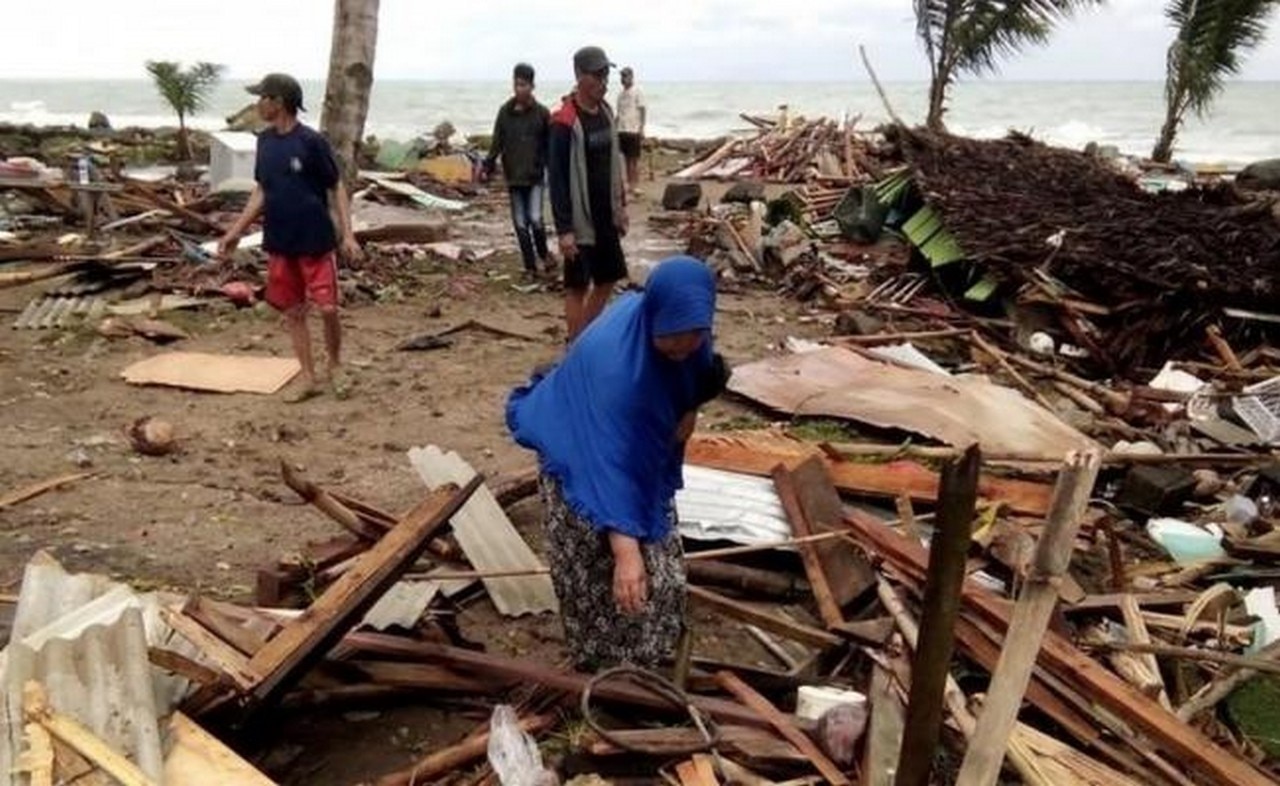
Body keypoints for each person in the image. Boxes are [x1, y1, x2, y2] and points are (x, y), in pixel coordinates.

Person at [506, 256, 729, 670]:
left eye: (692, 336)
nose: (683, 346)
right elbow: (610, 470)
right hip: (579, 445)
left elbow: (699, 378)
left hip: (635, 446)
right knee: (598, 563)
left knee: (658, 558)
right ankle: (602, 666)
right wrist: (626, 554)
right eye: (672, 338)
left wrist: (688, 408)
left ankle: (651, 653)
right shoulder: (617, 375)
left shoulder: (692, 332)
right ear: (653, 319)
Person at [217, 73, 362, 402]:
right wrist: (235, 232)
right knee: (294, 312)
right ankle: (308, 376)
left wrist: (348, 235)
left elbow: (335, 185)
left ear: (278, 102)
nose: (257, 103)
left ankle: (336, 366)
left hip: (315, 239)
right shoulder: (264, 142)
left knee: (327, 308)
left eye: (261, 97)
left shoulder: (310, 142)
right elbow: (262, 190)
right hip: (281, 241)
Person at [548, 45, 629, 342]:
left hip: (605, 214)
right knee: (577, 286)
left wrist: (621, 205)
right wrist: (564, 230)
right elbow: (556, 179)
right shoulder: (564, 122)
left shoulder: (606, 113)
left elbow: (614, 163)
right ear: (580, 76)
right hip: (579, 220)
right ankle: (576, 346)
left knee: (608, 279)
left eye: (606, 74)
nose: (604, 81)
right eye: (597, 75)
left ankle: (581, 340)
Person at [482, 63, 552, 280]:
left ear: (532, 86)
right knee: (520, 224)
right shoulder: (505, 112)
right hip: (514, 176)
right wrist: (488, 166)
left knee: (536, 219)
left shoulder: (542, 114)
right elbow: (497, 142)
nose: (519, 89)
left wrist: (552, 171)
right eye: (516, 84)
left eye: (523, 84)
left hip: (535, 176)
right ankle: (530, 267)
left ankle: (544, 255)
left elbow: (549, 146)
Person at [616, 66, 647, 196]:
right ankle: (627, 184)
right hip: (621, 130)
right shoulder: (620, 95)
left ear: (631, 77)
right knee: (623, 159)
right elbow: (619, 113)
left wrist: (641, 128)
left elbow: (642, 110)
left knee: (633, 160)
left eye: (626, 76)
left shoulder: (637, 91)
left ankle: (635, 185)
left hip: (633, 129)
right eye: (622, 76)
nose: (623, 79)